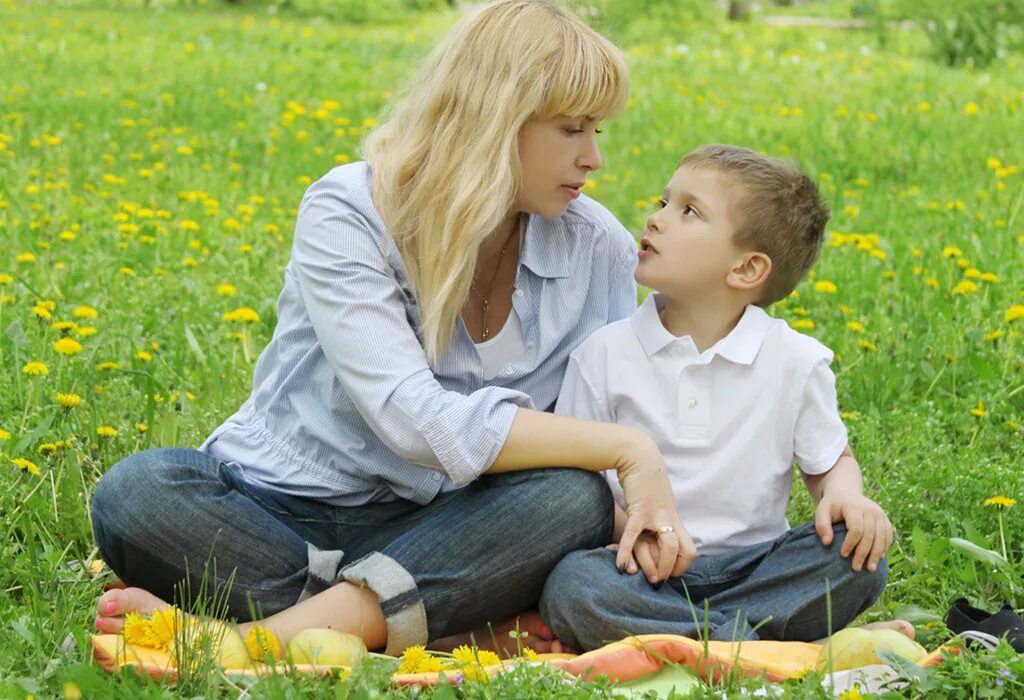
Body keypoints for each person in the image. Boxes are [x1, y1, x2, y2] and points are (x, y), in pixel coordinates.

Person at [90, 0, 694, 658]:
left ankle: (256, 639)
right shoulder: (348, 211)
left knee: (570, 498)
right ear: (495, 120)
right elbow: (411, 419)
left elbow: (591, 418)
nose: (594, 158)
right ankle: (439, 623)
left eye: (597, 130)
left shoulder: (595, 245)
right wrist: (631, 452)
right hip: (284, 510)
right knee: (140, 495)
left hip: (453, 526)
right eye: (573, 129)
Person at [540, 144, 903, 652]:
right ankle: (767, 641)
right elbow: (581, 480)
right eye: (664, 202)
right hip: (643, 572)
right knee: (573, 587)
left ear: (747, 270)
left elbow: (829, 463)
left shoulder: (795, 362)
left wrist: (844, 496)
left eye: (688, 211)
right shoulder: (603, 354)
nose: (656, 218)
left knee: (855, 556)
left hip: (758, 566)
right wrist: (639, 534)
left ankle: (693, 639)